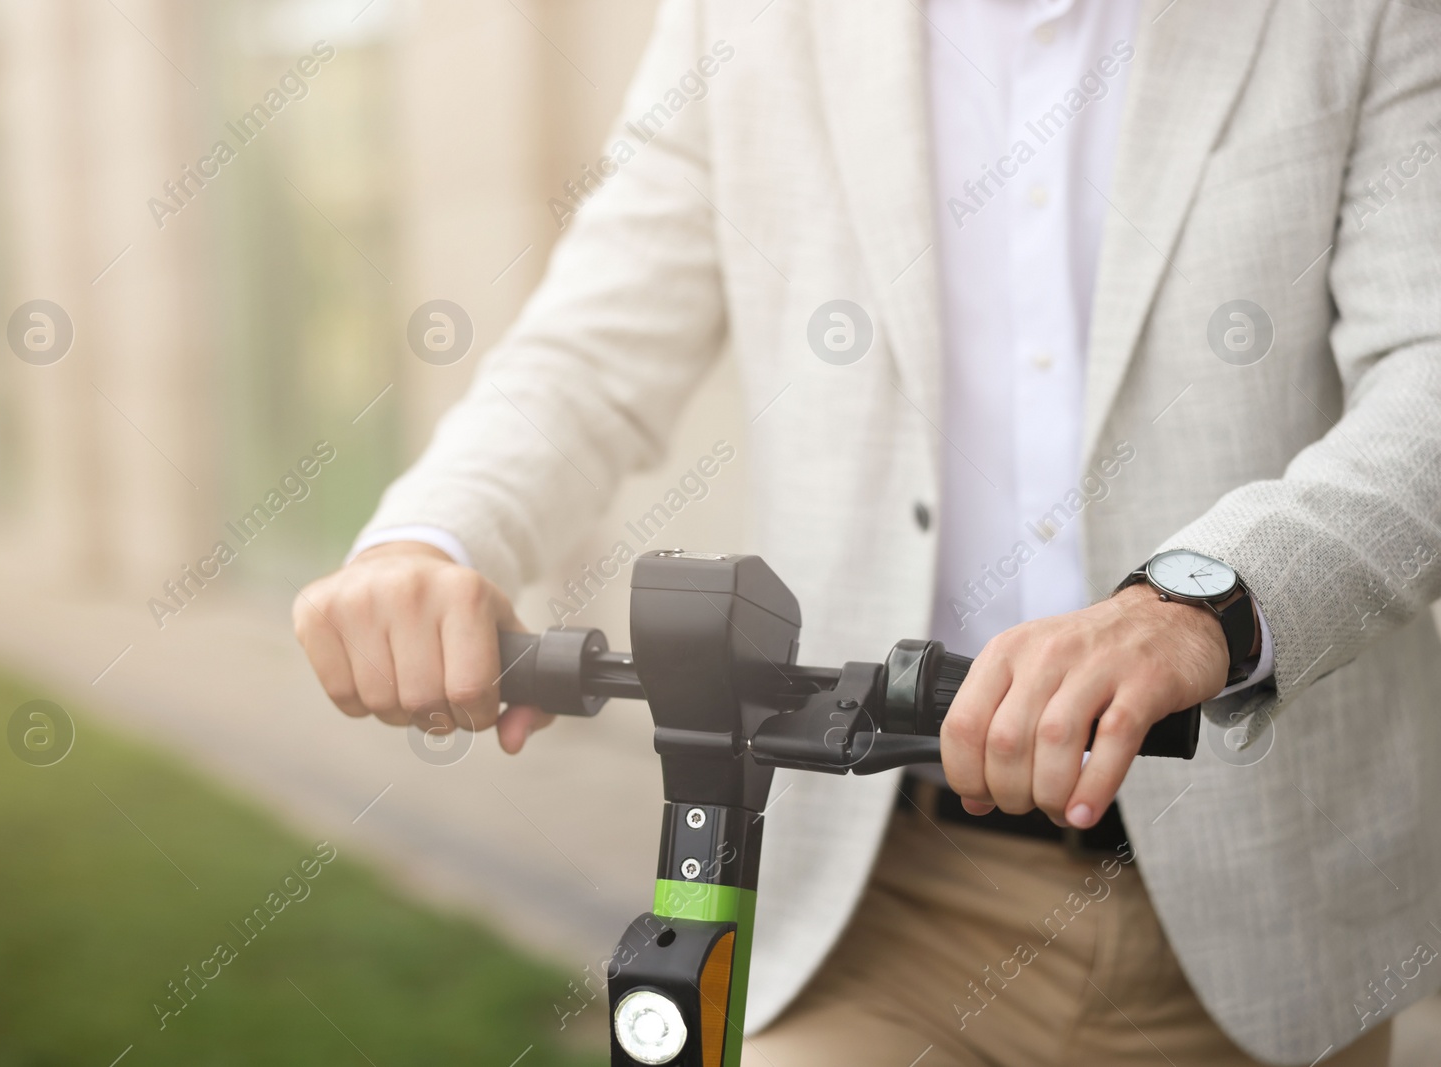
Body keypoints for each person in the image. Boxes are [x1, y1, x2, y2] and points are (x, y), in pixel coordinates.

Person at [293, 1, 1441, 1063]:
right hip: (882, 893)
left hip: (1265, 904)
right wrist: (432, 537)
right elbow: (592, 350)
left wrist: (1204, 601)